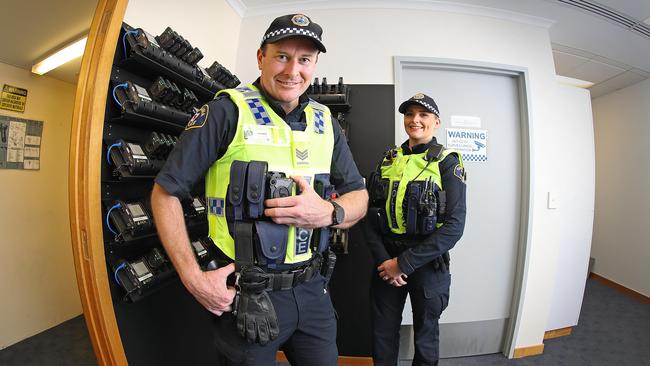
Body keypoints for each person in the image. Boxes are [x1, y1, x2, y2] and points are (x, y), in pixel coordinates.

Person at [150, 13, 368, 366]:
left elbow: (359, 196)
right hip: (246, 292)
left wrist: (329, 212)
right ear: (260, 57)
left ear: (314, 64)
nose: (292, 70)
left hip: (313, 288)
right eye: (281, 55)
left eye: (304, 60)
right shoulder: (225, 111)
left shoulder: (325, 121)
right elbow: (165, 193)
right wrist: (193, 278)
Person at [363, 93, 466, 366]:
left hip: (427, 262)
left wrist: (403, 264)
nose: (415, 120)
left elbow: (455, 226)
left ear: (437, 121)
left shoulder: (448, 162)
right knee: (382, 333)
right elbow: (369, 215)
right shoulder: (388, 160)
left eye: (423, 115)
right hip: (386, 259)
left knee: (426, 334)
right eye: (409, 114)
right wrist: (386, 261)